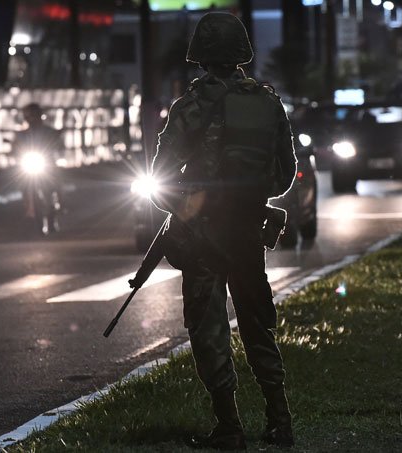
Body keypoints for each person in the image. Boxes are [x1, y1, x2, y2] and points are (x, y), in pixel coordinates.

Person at [150, 12, 297, 450]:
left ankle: (229, 424)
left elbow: (159, 175)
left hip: (202, 238)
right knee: (257, 322)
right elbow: (285, 174)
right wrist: (250, 201)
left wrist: (187, 206)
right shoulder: (268, 103)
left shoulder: (190, 106)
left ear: (200, 57)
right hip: (247, 232)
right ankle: (279, 419)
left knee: (208, 327)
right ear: (242, 54)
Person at [12, 103, 64, 233]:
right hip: (30, 163)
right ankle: (29, 208)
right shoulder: (22, 134)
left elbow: (57, 143)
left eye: (34, 115)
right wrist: (15, 151)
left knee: (55, 183)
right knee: (23, 182)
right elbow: (15, 148)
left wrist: (56, 143)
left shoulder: (49, 132)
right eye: (29, 115)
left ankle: (58, 207)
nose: (32, 118)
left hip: (46, 163)